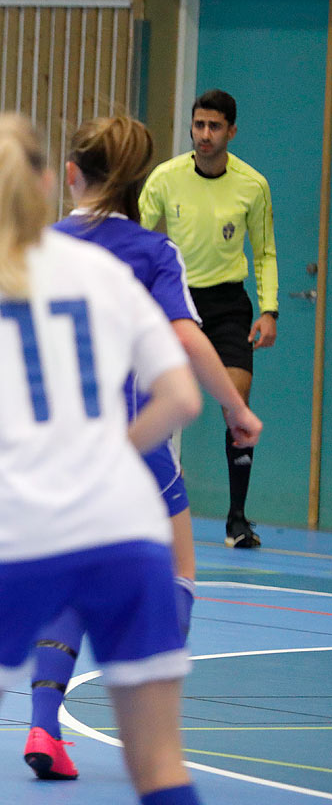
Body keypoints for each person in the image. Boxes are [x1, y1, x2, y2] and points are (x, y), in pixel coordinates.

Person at [0, 114, 204, 805]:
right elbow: (181, 395)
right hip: (127, 528)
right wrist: (109, 457)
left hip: (14, 533)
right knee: (161, 767)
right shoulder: (104, 270)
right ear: (43, 180)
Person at [22, 115, 263, 781]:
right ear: (139, 181)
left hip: (56, 444)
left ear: (72, 174)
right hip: (133, 437)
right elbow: (186, 339)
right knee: (178, 567)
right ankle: (154, 727)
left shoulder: (40, 247)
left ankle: (43, 729)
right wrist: (235, 408)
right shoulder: (152, 253)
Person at [140, 89, 277, 548]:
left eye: (214, 127)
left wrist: (269, 309)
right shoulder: (165, 178)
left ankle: (237, 519)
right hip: (177, 299)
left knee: (236, 406)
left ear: (231, 131)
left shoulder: (252, 185)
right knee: (165, 404)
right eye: (198, 125)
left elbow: (265, 253)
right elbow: (137, 234)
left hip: (227, 306)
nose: (204, 135)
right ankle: (153, 507)